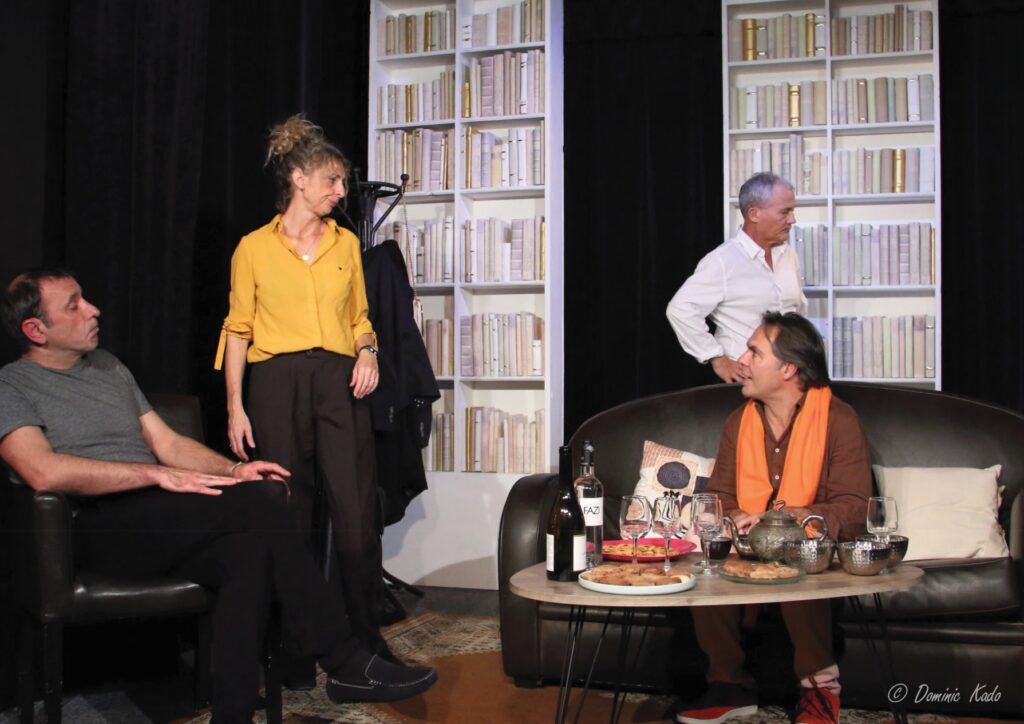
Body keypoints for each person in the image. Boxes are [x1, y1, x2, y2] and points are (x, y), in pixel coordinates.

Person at [0, 268, 437, 724]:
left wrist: (233, 469)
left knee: (246, 550)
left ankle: (233, 714)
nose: (93, 310)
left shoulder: (108, 366)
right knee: (262, 502)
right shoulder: (12, 386)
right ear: (36, 329)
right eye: (74, 305)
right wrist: (154, 476)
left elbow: (168, 443)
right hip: (93, 527)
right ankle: (343, 660)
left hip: (158, 517)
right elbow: (42, 470)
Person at [214, 115, 387, 658]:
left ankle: (365, 642)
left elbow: (359, 318)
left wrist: (368, 352)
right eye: (332, 180)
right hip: (276, 383)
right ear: (298, 178)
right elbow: (237, 330)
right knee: (288, 513)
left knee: (356, 513)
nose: (340, 191)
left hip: (339, 381)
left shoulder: (346, 244)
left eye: (341, 181)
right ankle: (293, 650)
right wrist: (235, 407)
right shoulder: (252, 248)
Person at [676, 312, 871, 724]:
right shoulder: (738, 422)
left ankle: (820, 691)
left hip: (809, 549)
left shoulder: (839, 420)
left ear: (788, 368)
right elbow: (721, 496)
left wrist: (795, 518)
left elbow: (855, 507)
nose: (742, 361)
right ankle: (728, 685)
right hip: (748, 548)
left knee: (796, 558)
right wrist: (737, 518)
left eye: (754, 352)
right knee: (707, 563)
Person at [666, 173, 807, 384]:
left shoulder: (788, 256)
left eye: (792, 211)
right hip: (745, 381)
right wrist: (717, 358)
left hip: (788, 378)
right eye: (785, 212)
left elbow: (798, 312)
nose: (792, 219)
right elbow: (680, 309)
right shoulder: (723, 261)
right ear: (754, 214)